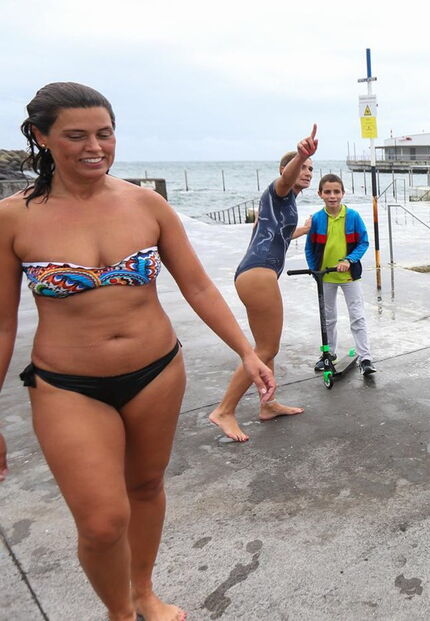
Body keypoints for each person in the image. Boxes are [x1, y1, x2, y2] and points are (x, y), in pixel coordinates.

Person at [0, 82, 275, 621]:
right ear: (40, 136)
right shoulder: (13, 218)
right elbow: (1, 320)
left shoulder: (146, 204)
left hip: (156, 371)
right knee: (102, 523)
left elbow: (197, 286)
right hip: (66, 385)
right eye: (76, 136)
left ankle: (143, 593)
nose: (94, 146)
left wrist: (247, 351)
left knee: (146, 486)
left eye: (104, 133)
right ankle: (119, 612)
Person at [208, 132, 318, 441]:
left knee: (266, 346)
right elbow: (285, 179)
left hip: (255, 273)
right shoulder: (279, 190)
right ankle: (224, 410)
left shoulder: (284, 204)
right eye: (304, 168)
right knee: (266, 348)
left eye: (311, 168)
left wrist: (302, 230)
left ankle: (267, 405)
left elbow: (272, 234)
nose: (308, 173)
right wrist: (299, 157)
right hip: (259, 274)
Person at [304, 174, 376, 375]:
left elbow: (363, 242)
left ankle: (365, 358)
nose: (332, 196)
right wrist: (314, 269)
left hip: (349, 276)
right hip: (325, 277)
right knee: (328, 318)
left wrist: (348, 260)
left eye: (336, 192)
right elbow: (309, 248)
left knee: (357, 316)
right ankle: (329, 354)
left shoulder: (352, 216)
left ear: (343, 193)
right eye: (327, 192)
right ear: (320, 194)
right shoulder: (317, 219)